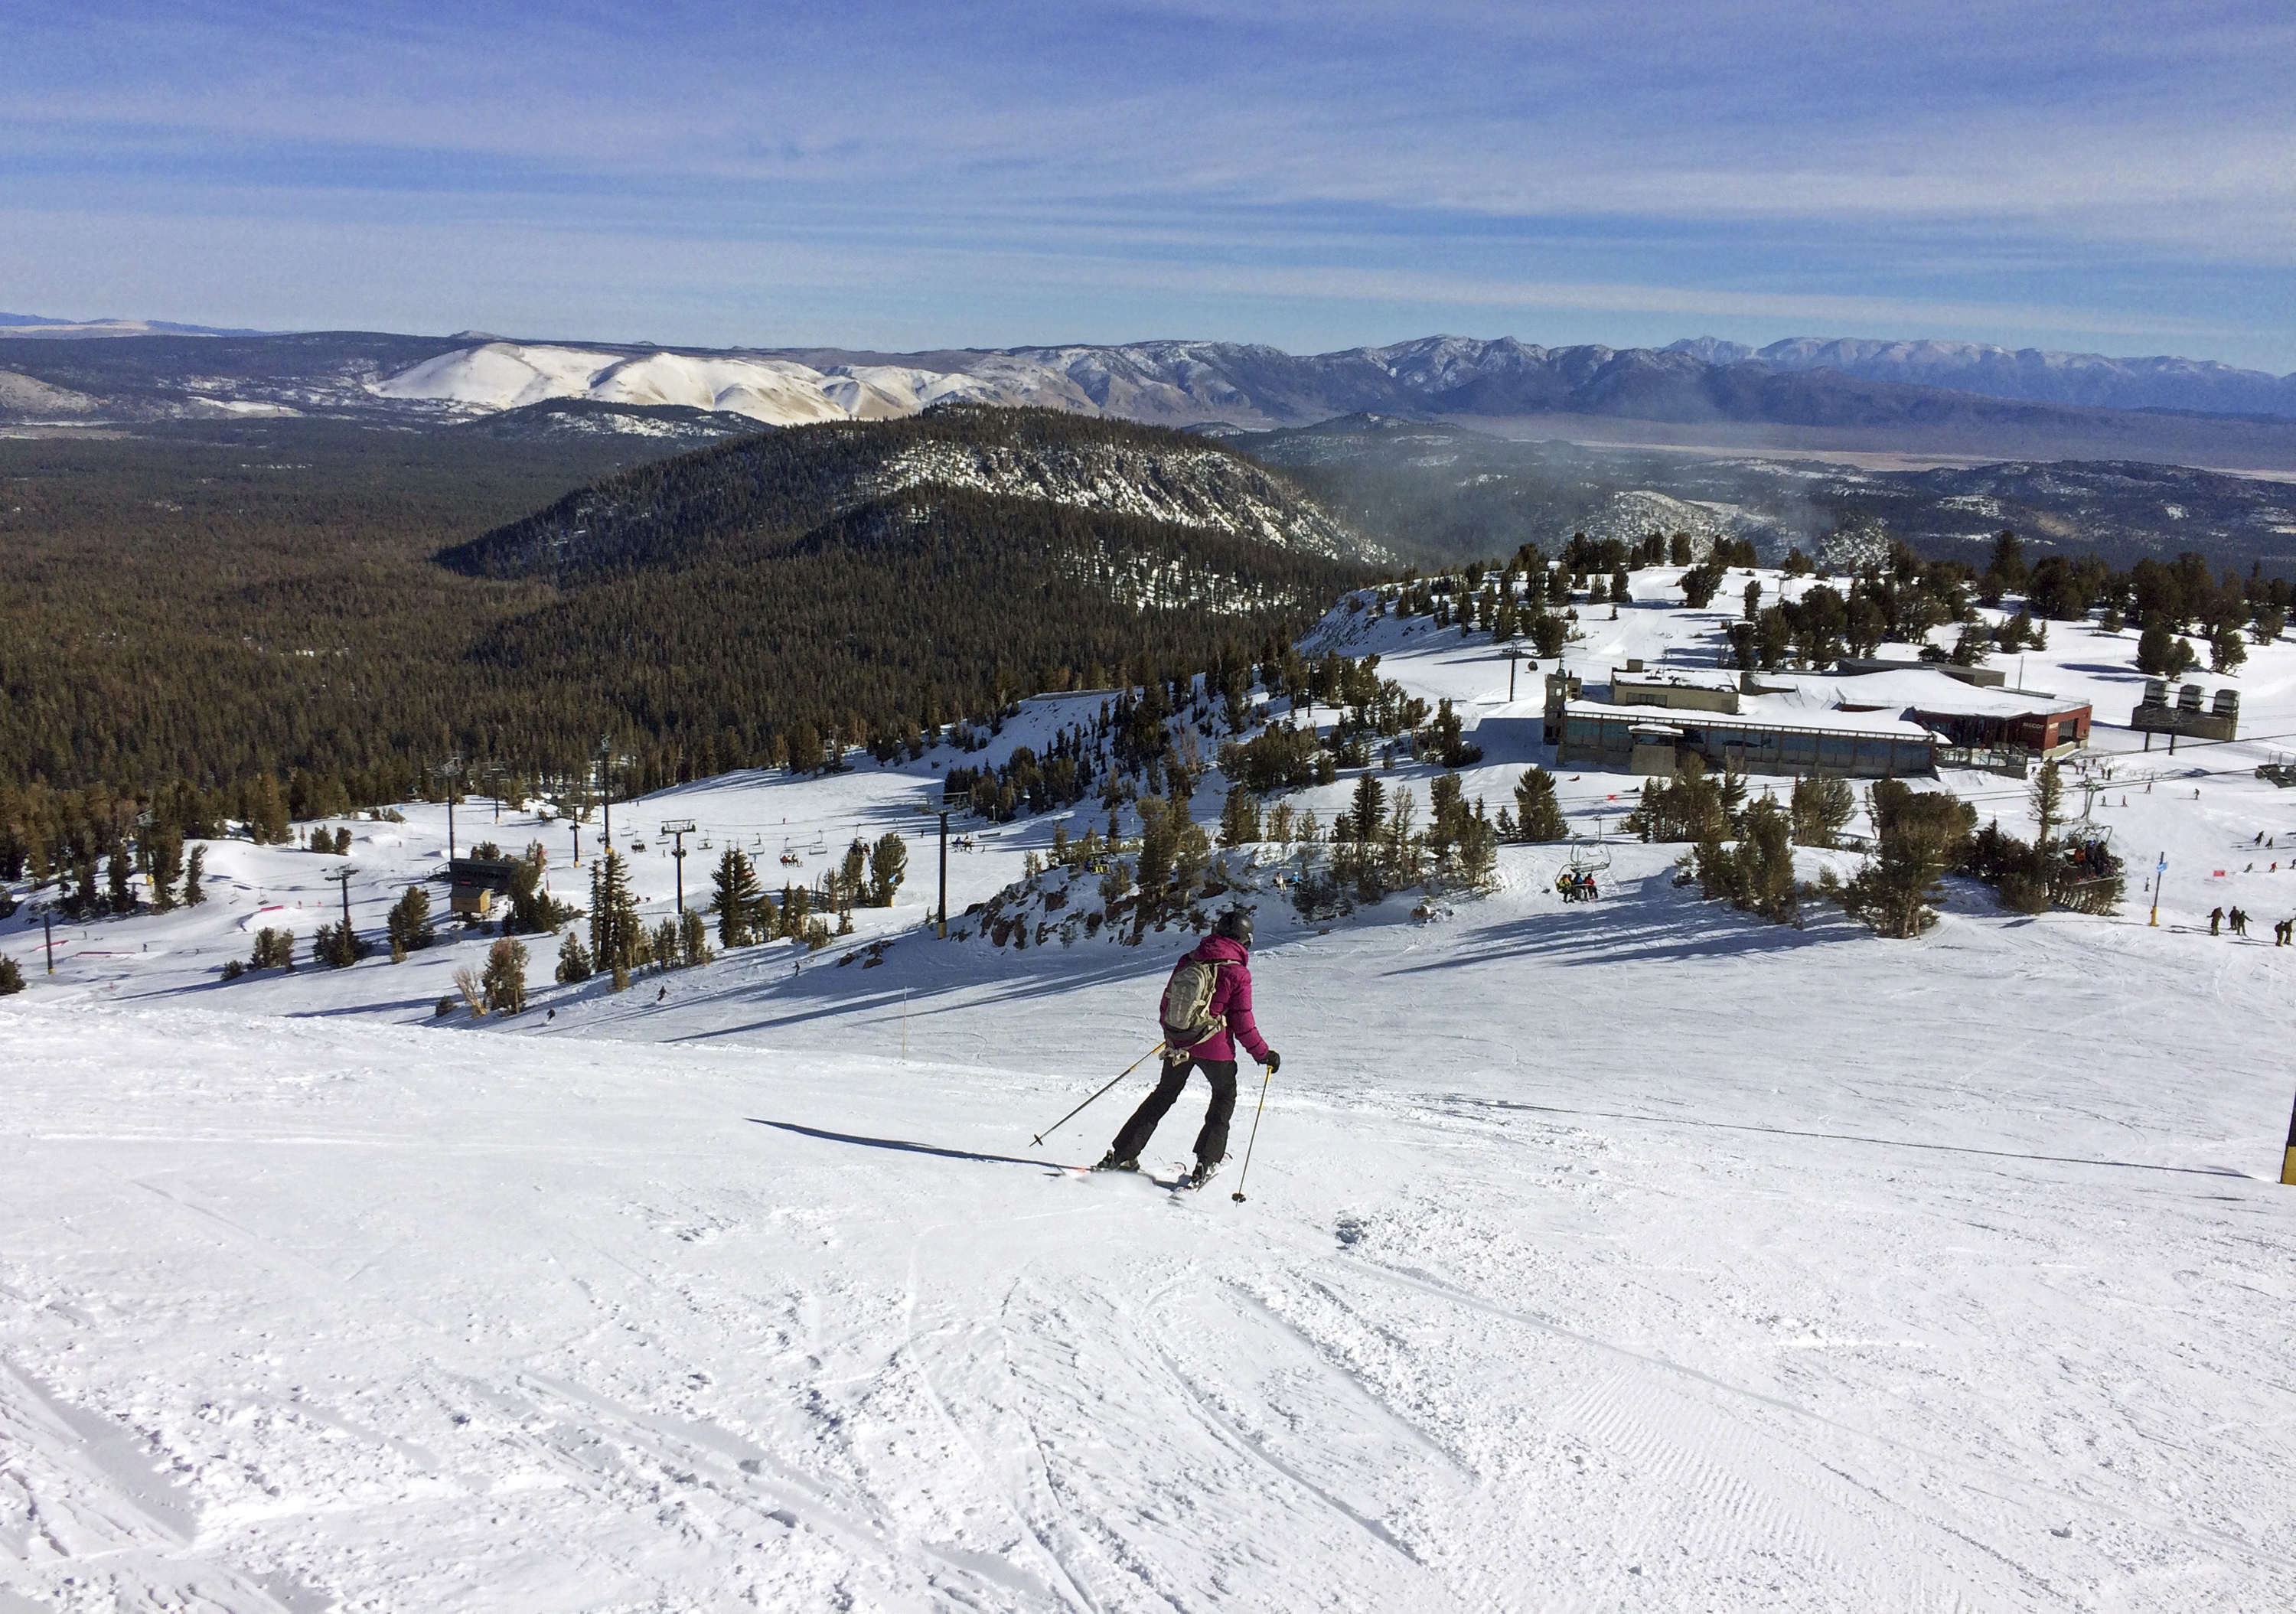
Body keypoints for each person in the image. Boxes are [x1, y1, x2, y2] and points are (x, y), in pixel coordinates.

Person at [1099, 908, 1278, 1188]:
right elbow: (1242, 1023)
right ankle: (1206, 1162)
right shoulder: (1238, 973)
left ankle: (1122, 1155)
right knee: (1223, 1096)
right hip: (1215, 1050)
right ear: (1245, 941)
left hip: (1178, 1045)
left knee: (1162, 1096)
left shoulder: (1190, 959)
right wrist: (1264, 1054)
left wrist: (1173, 1036)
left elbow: (1167, 1003)